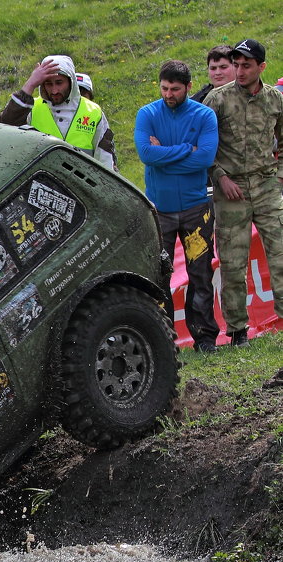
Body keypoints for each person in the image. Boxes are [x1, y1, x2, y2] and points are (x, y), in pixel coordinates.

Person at [134, 60, 219, 353]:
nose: (169, 94)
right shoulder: (147, 113)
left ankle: (205, 337)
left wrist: (164, 155)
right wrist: (186, 150)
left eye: (175, 89)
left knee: (201, 273)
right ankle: (164, 340)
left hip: (197, 207)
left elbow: (206, 158)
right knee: (159, 275)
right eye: (164, 88)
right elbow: (146, 154)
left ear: (188, 87)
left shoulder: (205, 115)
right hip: (160, 210)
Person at [203, 38, 283, 346]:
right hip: (230, 189)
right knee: (233, 262)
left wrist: (278, 179)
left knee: (279, 254)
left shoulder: (275, 100)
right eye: (235, 64)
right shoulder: (217, 99)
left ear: (261, 67)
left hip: (265, 185)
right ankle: (237, 330)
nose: (239, 70)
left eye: (246, 65)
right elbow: (204, 148)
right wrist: (220, 177)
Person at [0, 55, 117, 169]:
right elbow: (4, 128)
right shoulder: (31, 108)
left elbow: (106, 161)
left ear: (71, 82)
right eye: (48, 84)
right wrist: (30, 84)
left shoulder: (94, 112)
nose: (54, 91)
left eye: (59, 82)